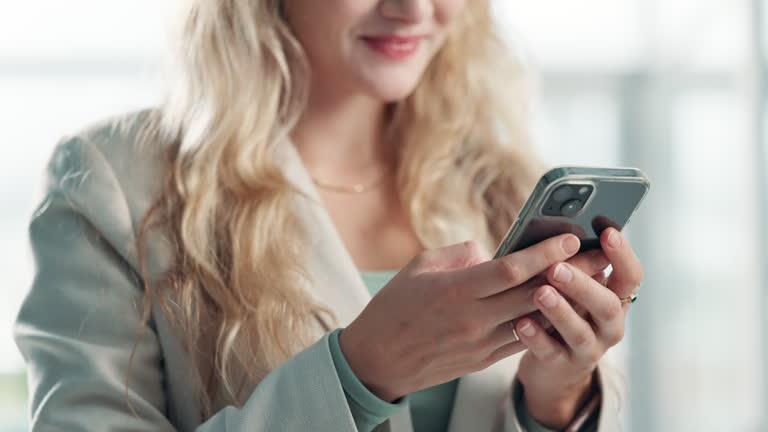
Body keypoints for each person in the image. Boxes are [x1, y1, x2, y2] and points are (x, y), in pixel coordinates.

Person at [14, 0, 643, 431]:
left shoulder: (496, 183)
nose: (412, 8)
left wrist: (558, 398)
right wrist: (360, 373)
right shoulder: (119, 184)